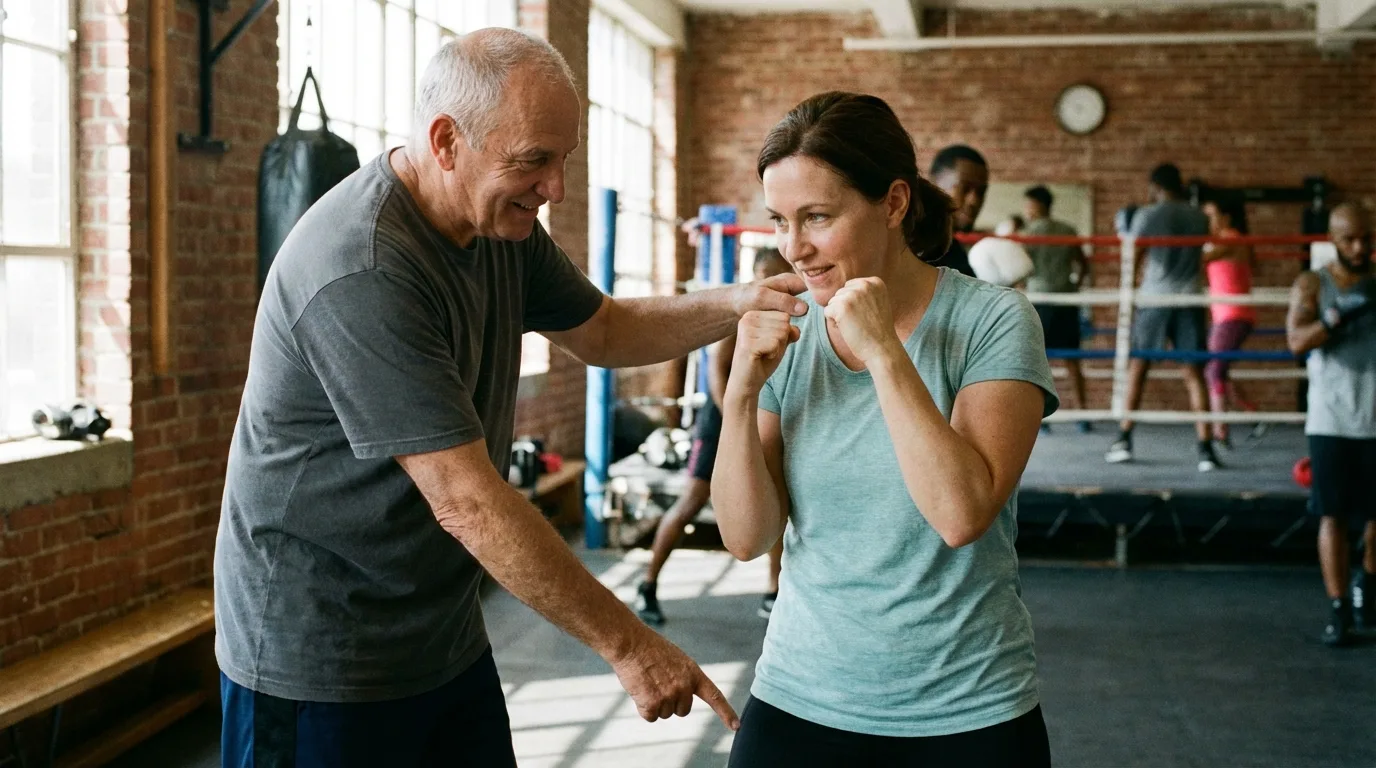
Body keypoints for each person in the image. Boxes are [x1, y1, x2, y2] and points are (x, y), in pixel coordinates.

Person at [214, 29, 810, 765]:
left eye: (564, 160)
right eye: (532, 162)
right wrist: (631, 646)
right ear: (446, 141)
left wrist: (747, 299)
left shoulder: (501, 225)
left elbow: (606, 330)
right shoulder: (362, 269)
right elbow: (466, 501)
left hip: (442, 631)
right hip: (323, 652)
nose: (554, 188)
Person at [714, 91, 1057, 767]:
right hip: (798, 697)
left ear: (894, 204)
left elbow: (960, 514)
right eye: (780, 221)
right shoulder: (794, 329)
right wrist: (739, 392)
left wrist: (883, 353)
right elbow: (748, 538)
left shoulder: (994, 322)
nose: (795, 248)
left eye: (817, 217)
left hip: (967, 710)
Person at [635, 248, 793, 625]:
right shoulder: (742, 314)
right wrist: (739, 423)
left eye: (777, 274)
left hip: (757, 418)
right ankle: (647, 583)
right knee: (691, 502)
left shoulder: (791, 313)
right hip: (721, 418)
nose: (768, 282)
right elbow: (718, 377)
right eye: (762, 274)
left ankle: (773, 592)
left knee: (778, 499)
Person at [1285, 202, 1376, 647]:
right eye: (1350, 239)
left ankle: (1368, 584)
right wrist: (1336, 317)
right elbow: (1296, 342)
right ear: (1333, 238)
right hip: (1332, 418)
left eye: (1367, 238)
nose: (1359, 248)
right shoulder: (1312, 284)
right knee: (1333, 514)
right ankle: (1339, 606)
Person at [1104, 163, 1221, 473]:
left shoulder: (1148, 215)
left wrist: (1128, 295)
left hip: (1155, 299)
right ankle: (1206, 448)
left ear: (1155, 186)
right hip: (1190, 298)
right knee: (1193, 374)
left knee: (1138, 368)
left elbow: (1134, 257)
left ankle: (1124, 439)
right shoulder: (1199, 217)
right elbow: (1201, 255)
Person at [1023, 185, 1090, 432]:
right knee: (1073, 359)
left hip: (1040, 299)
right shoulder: (1068, 230)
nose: (1026, 210)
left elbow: (1020, 269)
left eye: (1029, 204)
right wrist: (1074, 284)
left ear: (1039, 205)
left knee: (1040, 360)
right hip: (1066, 297)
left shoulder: (1027, 233)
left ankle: (1040, 418)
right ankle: (1083, 414)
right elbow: (1083, 264)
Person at [1201, 198, 1258, 449]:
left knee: (1213, 370)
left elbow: (1199, 259)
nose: (1207, 223)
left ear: (1226, 218)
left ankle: (1220, 431)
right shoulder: (1227, 239)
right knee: (1219, 370)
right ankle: (1254, 416)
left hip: (1233, 315)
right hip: (1226, 315)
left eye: (1211, 216)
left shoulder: (1230, 238)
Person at [929, 144, 988, 279]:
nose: (974, 201)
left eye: (981, 192)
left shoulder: (952, 249)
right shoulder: (916, 250)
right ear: (933, 185)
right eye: (965, 188)